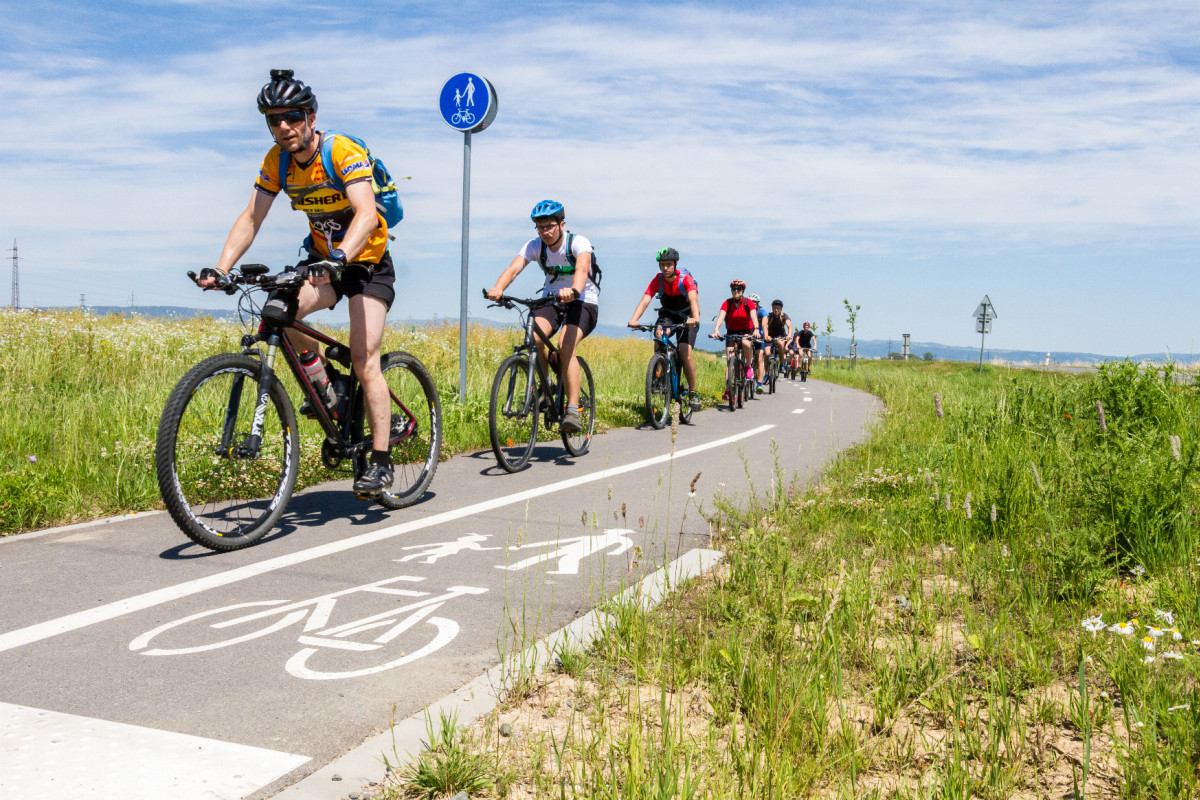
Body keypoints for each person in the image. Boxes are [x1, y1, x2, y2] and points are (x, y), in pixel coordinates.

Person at [197, 69, 398, 496]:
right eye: (273, 120)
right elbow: (252, 216)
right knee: (280, 312)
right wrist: (222, 267)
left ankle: (380, 460)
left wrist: (341, 256)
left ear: (309, 116)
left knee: (366, 360)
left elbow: (365, 213)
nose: (282, 127)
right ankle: (330, 387)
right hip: (322, 261)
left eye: (290, 117)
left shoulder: (340, 151)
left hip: (365, 262)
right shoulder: (278, 161)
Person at [486, 200, 599, 433]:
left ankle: (573, 410)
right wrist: (498, 288)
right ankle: (546, 386)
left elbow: (581, 270)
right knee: (534, 336)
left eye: (549, 226)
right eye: (540, 227)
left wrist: (574, 290)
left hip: (582, 301)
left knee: (565, 346)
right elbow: (514, 268)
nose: (545, 232)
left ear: (561, 224)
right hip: (552, 300)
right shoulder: (535, 246)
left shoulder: (578, 243)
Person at [627, 247, 701, 411]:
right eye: (662, 265)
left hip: (687, 316)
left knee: (684, 351)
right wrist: (635, 319)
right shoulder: (658, 280)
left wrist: (694, 318)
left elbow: (694, 300)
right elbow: (645, 299)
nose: (665, 268)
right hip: (668, 314)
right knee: (659, 334)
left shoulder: (685, 280)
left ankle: (694, 391)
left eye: (668, 264)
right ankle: (658, 378)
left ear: (675, 264)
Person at [709, 280, 760, 397]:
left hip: (746, 330)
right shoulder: (727, 303)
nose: (735, 291)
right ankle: (728, 390)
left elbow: (753, 316)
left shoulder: (748, 303)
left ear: (742, 291)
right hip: (731, 331)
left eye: (738, 289)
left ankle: (748, 367)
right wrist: (716, 329)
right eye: (733, 289)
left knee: (746, 343)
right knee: (730, 361)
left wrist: (756, 329)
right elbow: (721, 316)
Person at [763, 299, 793, 378]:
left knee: (781, 343)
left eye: (778, 308)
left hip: (780, 335)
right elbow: (764, 325)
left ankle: (782, 365)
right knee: (766, 353)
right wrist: (766, 335)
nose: (776, 310)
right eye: (775, 308)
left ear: (781, 309)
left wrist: (789, 335)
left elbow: (789, 326)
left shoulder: (784, 316)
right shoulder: (769, 316)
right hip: (770, 336)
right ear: (772, 308)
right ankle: (766, 373)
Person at [748, 293, 769, 389]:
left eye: (755, 303)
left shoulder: (762, 312)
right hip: (748, 334)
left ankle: (760, 383)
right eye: (751, 302)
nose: (753, 304)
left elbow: (764, 324)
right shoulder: (746, 311)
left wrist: (765, 335)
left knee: (759, 357)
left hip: (759, 336)